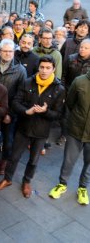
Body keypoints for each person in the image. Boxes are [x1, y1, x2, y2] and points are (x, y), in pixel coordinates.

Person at [0, 56, 65, 198]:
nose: (44, 71)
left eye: (48, 68)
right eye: (42, 67)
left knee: (33, 160)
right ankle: (7, 179)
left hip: (41, 131)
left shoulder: (59, 89)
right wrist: (26, 111)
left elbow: (58, 114)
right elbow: (15, 102)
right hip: (23, 127)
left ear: (53, 69)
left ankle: (27, 181)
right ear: (38, 68)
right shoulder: (27, 82)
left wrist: (46, 111)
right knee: (14, 156)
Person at [48, 69, 90, 205]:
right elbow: (70, 103)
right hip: (76, 129)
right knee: (68, 160)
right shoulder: (80, 81)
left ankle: (83, 188)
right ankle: (62, 184)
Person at [0, 39, 27, 175]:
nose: (7, 54)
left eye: (10, 51)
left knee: (8, 141)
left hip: (9, 111)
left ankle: (4, 162)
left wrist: (10, 114)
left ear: (14, 52)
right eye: (4, 51)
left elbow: (20, 95)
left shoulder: (20, 70)